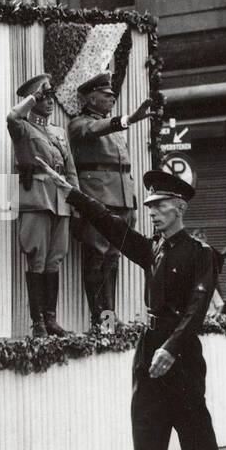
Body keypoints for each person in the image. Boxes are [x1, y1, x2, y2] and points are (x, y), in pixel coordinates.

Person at [40, 160, 226, 450]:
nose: (153, 213)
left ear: (180, 206)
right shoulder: (153, 250)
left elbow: (196, 310)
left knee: (195, 435)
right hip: (149, 350)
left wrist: (172, 349)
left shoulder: (201, 253)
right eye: (150, 207)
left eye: (159, 206)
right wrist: (72, 193)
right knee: (146, 431)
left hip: (182, 356)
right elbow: (112, 226)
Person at [69, 72, 154, 332]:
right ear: (91, 97)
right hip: (99, 198)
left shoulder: (112, 127)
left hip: (121, 198)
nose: (112, 98)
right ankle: (100, 320)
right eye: (106, 95)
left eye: (112, 95)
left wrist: (131, 201)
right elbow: (94, 130)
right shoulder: (80, 124)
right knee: (97, 256)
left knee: (113, 258)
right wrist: (127, 119)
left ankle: (109, 318)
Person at [7, 73, 78, 337]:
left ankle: (51, 319)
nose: (49, 102)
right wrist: (32, 99)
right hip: (36, 199)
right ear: (32, 99)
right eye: (43, 97)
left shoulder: (58, 132)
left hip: (61, 200)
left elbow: (71, 170)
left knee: (54, 260)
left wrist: (77, 200)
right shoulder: (23, 128)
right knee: (37, 259)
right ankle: (37, 322)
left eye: (51, 97)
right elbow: (12, 117)